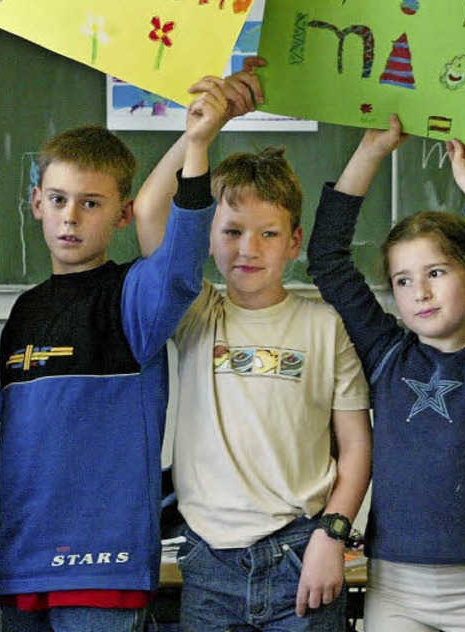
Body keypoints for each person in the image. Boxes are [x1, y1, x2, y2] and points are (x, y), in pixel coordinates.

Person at [133, 67, 372, 630]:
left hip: (300, 555)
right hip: (209, 567)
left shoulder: (323, 326)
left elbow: (356, 448)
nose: (248, 248)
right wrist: (201, 137)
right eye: (232, 230)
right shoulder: (195, 313)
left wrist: (332, 537)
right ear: (207, 237)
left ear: (294, 243)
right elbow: (148, 212)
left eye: (268, 234)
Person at [0, 74, 233, 632]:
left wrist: (197, 148)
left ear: (123, 214)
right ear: (36, 204)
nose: (71, 217)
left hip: (104, 565)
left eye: (91, 203)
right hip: (21, 563)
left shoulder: (135, 295)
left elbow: (179, 263)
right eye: (58, 200)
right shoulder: (23, 312)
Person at [306, 117, 465, 631]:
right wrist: (371, 151)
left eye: (436, 273)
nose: (419, 292)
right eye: (403, 280)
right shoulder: (386, 352)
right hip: (395, 590)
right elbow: (327, 260)